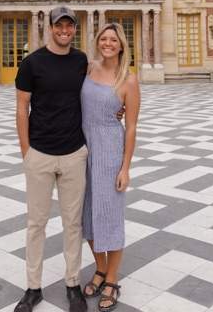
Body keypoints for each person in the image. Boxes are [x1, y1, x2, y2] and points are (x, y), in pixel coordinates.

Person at [14, 6, 89, 312]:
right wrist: (26, 151)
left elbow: (98, 91)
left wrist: (119, 109)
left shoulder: (82, 60)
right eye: (60, 26)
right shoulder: (32, 63)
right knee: (36, 224)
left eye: (69, 26)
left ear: (74, 29)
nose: (64, 31)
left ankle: (73, 283)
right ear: (50, 27)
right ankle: (33, 288)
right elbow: (21, 109)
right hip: (41, 154)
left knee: (73, 224)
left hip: (74, 153)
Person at [81, 23, 140, 312]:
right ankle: (100, 268)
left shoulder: (128, 79)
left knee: (110, 216)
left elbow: (130, 128)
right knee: (87, 216)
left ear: (121, 45)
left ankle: (113, 278)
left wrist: (125, 167)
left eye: (112, 40)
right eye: (103, 39)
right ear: (98, 42)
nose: (107, 43)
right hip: (82, 150)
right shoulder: (88, 69)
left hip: (110, 151)